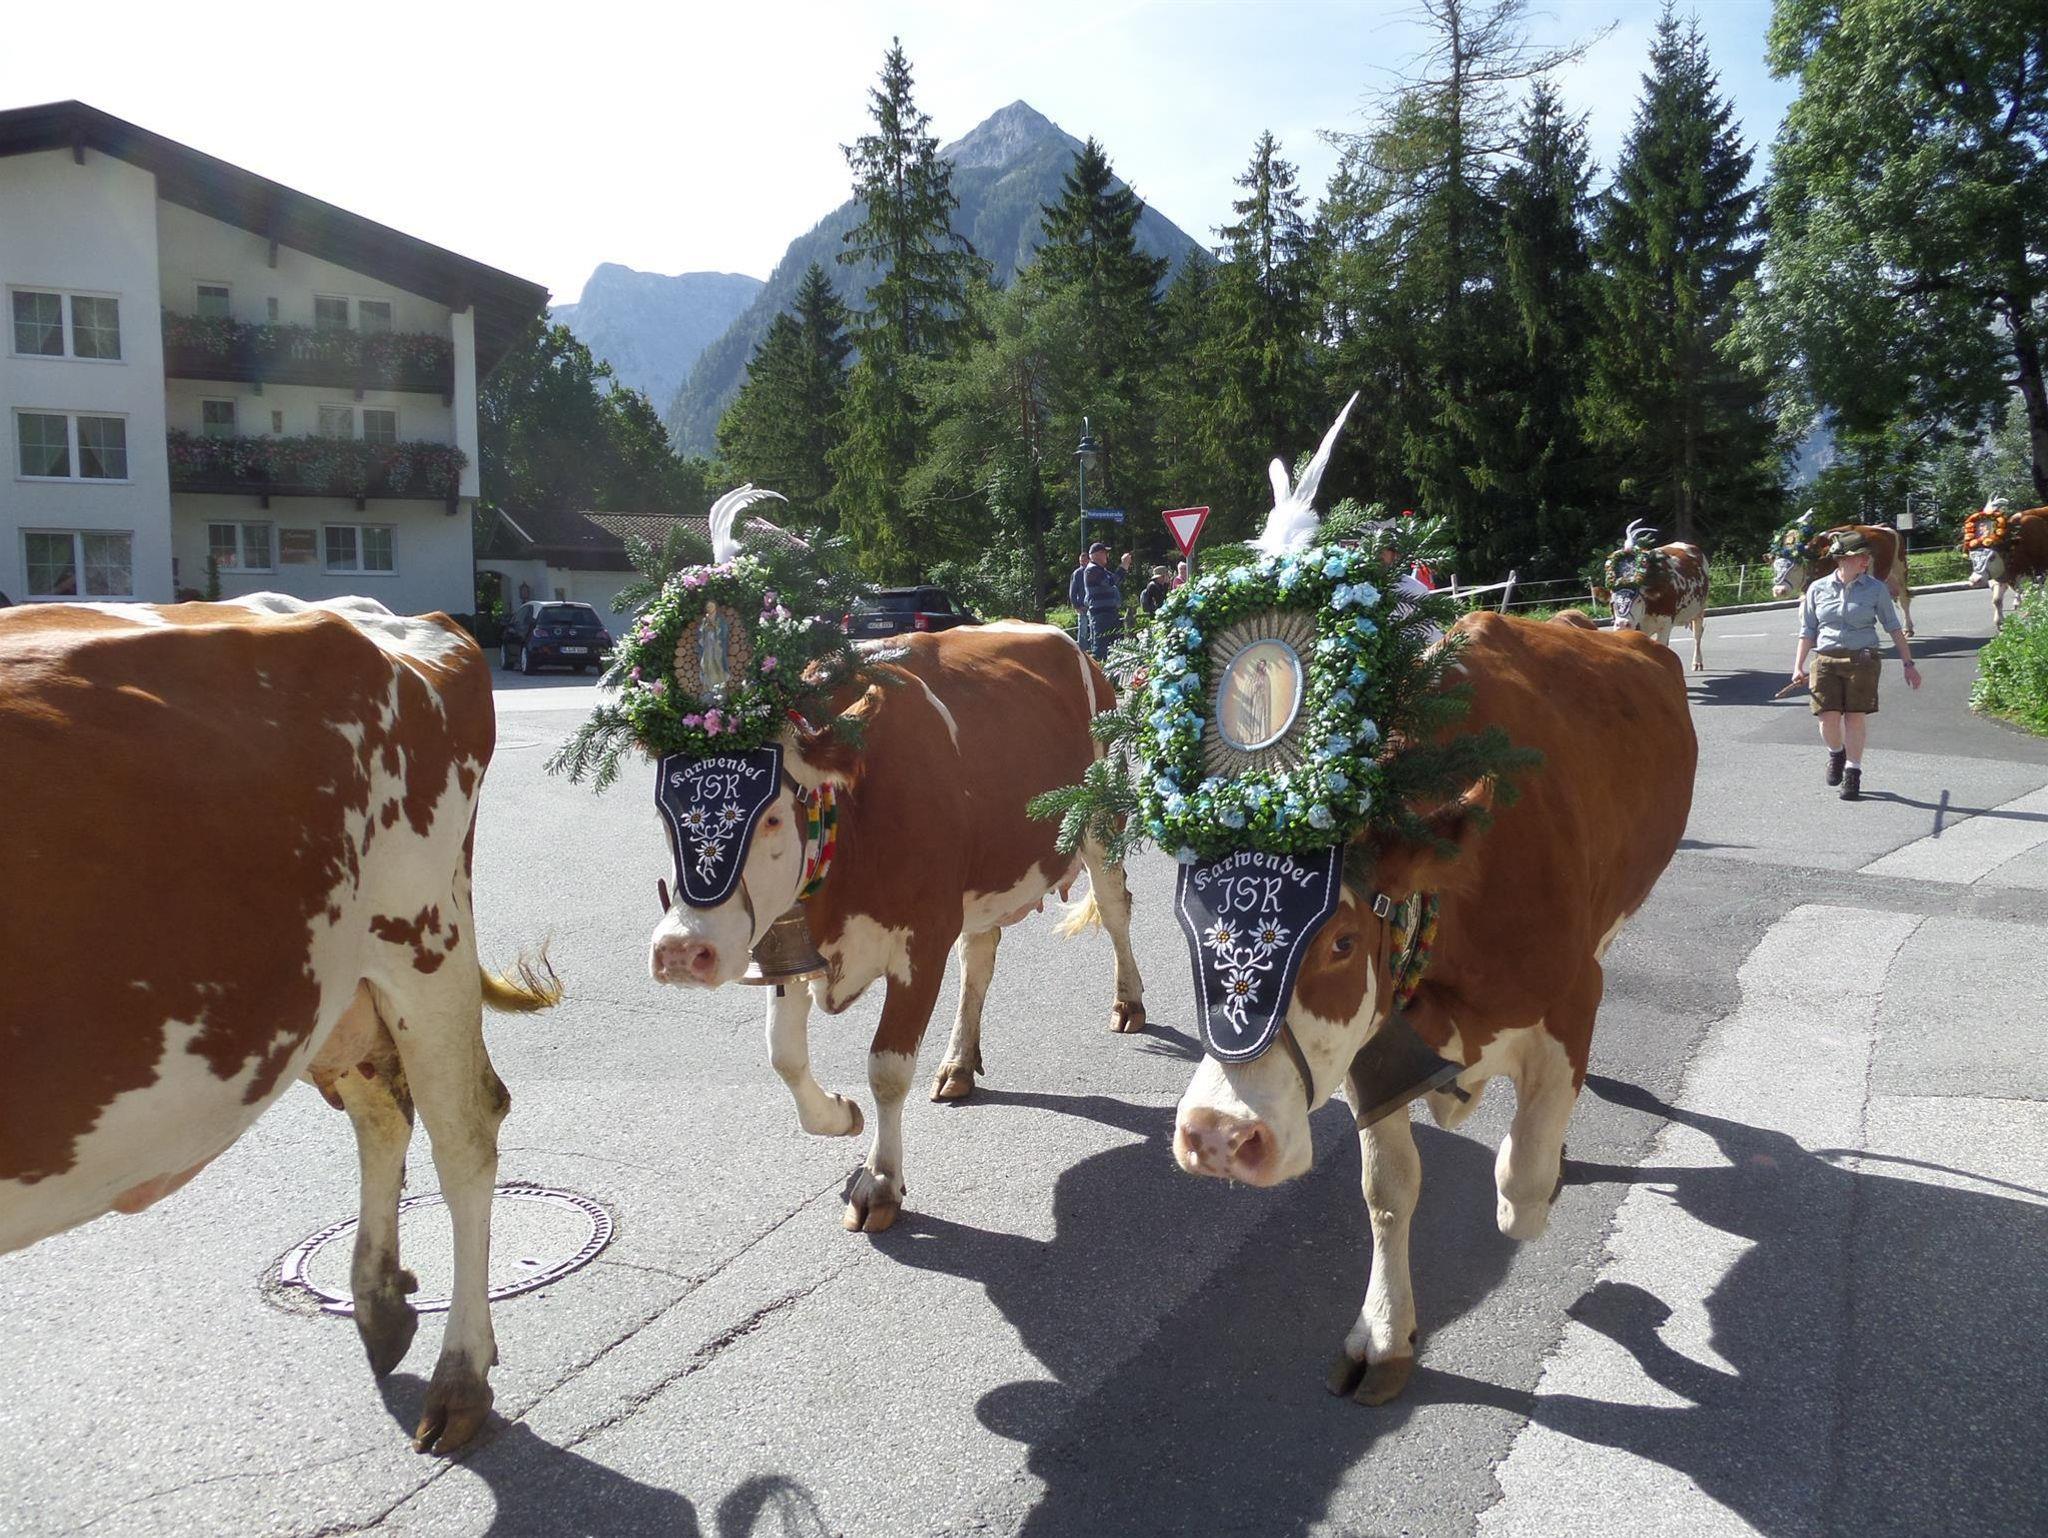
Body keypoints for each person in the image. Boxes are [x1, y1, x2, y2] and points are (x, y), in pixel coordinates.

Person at [1790, 529, 1921, 801]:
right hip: (1825, 659)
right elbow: (1808, 630)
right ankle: (1837, 754)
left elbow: (1894, 628)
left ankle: (1853, 771)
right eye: (1860, 556)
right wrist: (1798, 666)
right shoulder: (1817, 588)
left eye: (1866, 556)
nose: (1866, 560)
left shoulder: (1875, 589)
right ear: (1842, 559)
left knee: (1854, 717)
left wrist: (1908, 664)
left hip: (1863, 659)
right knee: (1827, 718)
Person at [1082, 541, 1122, 660]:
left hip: (1110, 612)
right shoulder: (1092, 570)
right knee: (1100, 648)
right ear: (1097, 554)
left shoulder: (1101, 570)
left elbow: (1115, 580)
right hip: (1101, 615)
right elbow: (1111, 582)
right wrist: (1123, 566)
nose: (1107, 556)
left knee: (1116, 646)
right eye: (1104, 553)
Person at [1066, 552, 1091, 652]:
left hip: (1092, 605)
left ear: (1089, 560)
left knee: (1093, 628)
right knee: (1083, 629)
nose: (1082, 563)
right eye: (1081, 561)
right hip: (1082, 605)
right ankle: (1082, 651)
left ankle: (1093, 648)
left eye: (1084, 560)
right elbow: (1072, 591)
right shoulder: (1077, 573)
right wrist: (1076, 606)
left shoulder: (1093, 571)